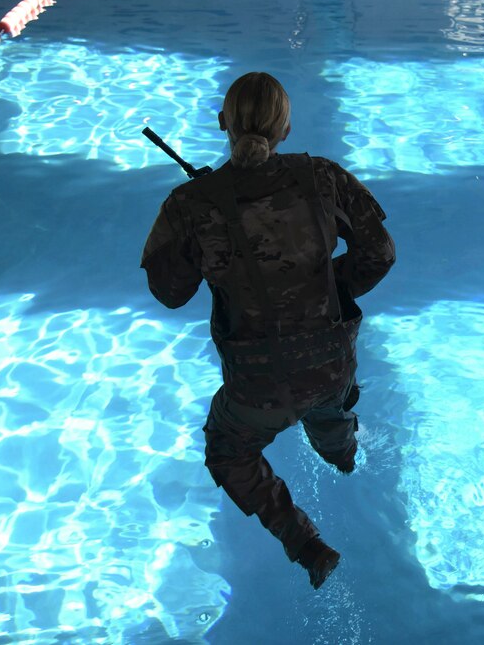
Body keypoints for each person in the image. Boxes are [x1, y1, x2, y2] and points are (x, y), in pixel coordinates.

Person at [141, 72, 396, 589]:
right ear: (285, 128)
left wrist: (199, 239)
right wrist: (331, 285)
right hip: (331, 362)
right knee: (330, 404)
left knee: (228, 450)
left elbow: (170, 294)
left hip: (258, 387)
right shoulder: (323, 178)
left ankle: (308, 544)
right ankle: (344, 458)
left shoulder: (190, 206)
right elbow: (380, 255)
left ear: (222, 124)